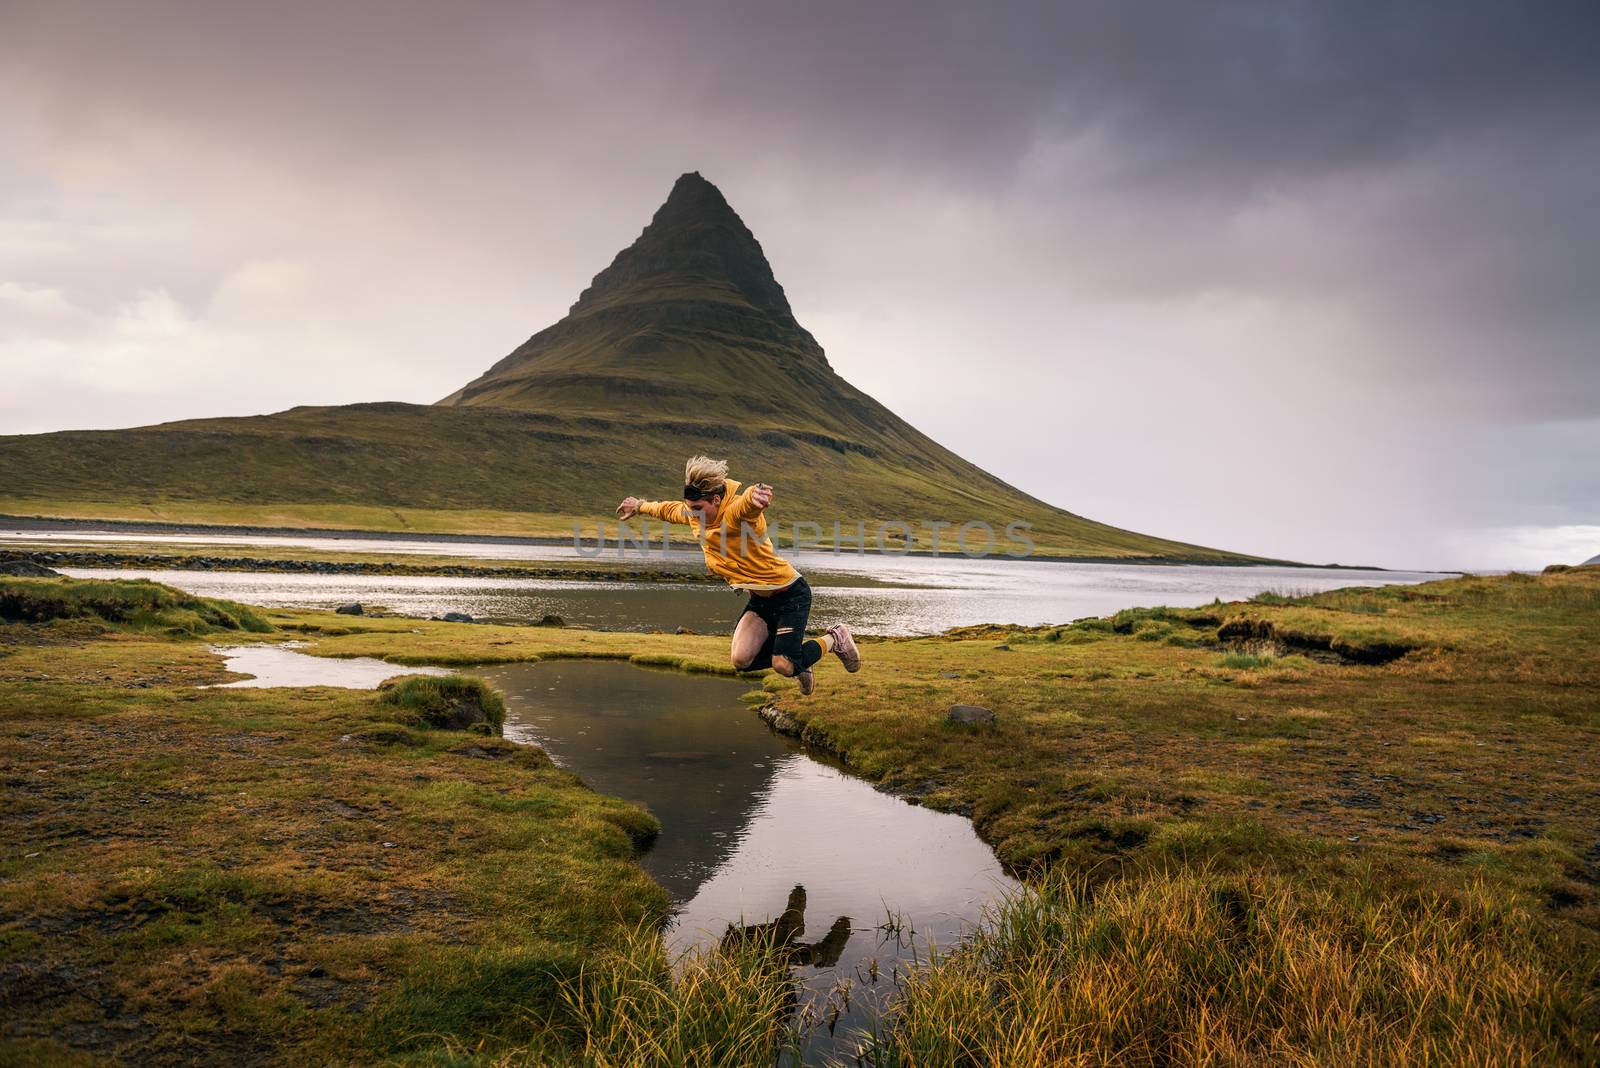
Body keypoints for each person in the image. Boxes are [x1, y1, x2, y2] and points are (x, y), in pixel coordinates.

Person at [616, 455, 860, 694]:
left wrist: (755, 497)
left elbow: (746, 507)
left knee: (783, 665)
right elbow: (667, 509)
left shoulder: (735, 515)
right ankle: (800, 662)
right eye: (691, 509)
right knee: (741, 660)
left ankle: (835, 638)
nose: (693, 515)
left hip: (790, 595)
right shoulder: (694, 514)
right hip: (761, 600)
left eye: (699, 509)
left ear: (717, 499)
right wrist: (638, 505)